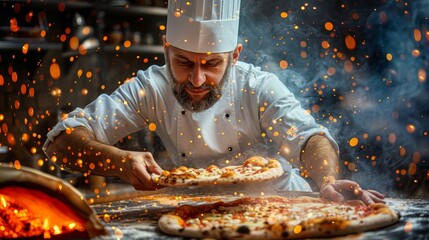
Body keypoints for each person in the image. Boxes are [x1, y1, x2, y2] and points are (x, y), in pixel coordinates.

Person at [44, 0, 385, 204]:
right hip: (199, 212)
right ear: (166, 49)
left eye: (210, 64)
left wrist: (325, 180)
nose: (196, 79)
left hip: (281, 206)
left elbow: (311, 138)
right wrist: (119, 162)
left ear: (235, 56)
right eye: (183, 63)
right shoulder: (151, 86)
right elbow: (61, 141)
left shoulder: (259, 86)